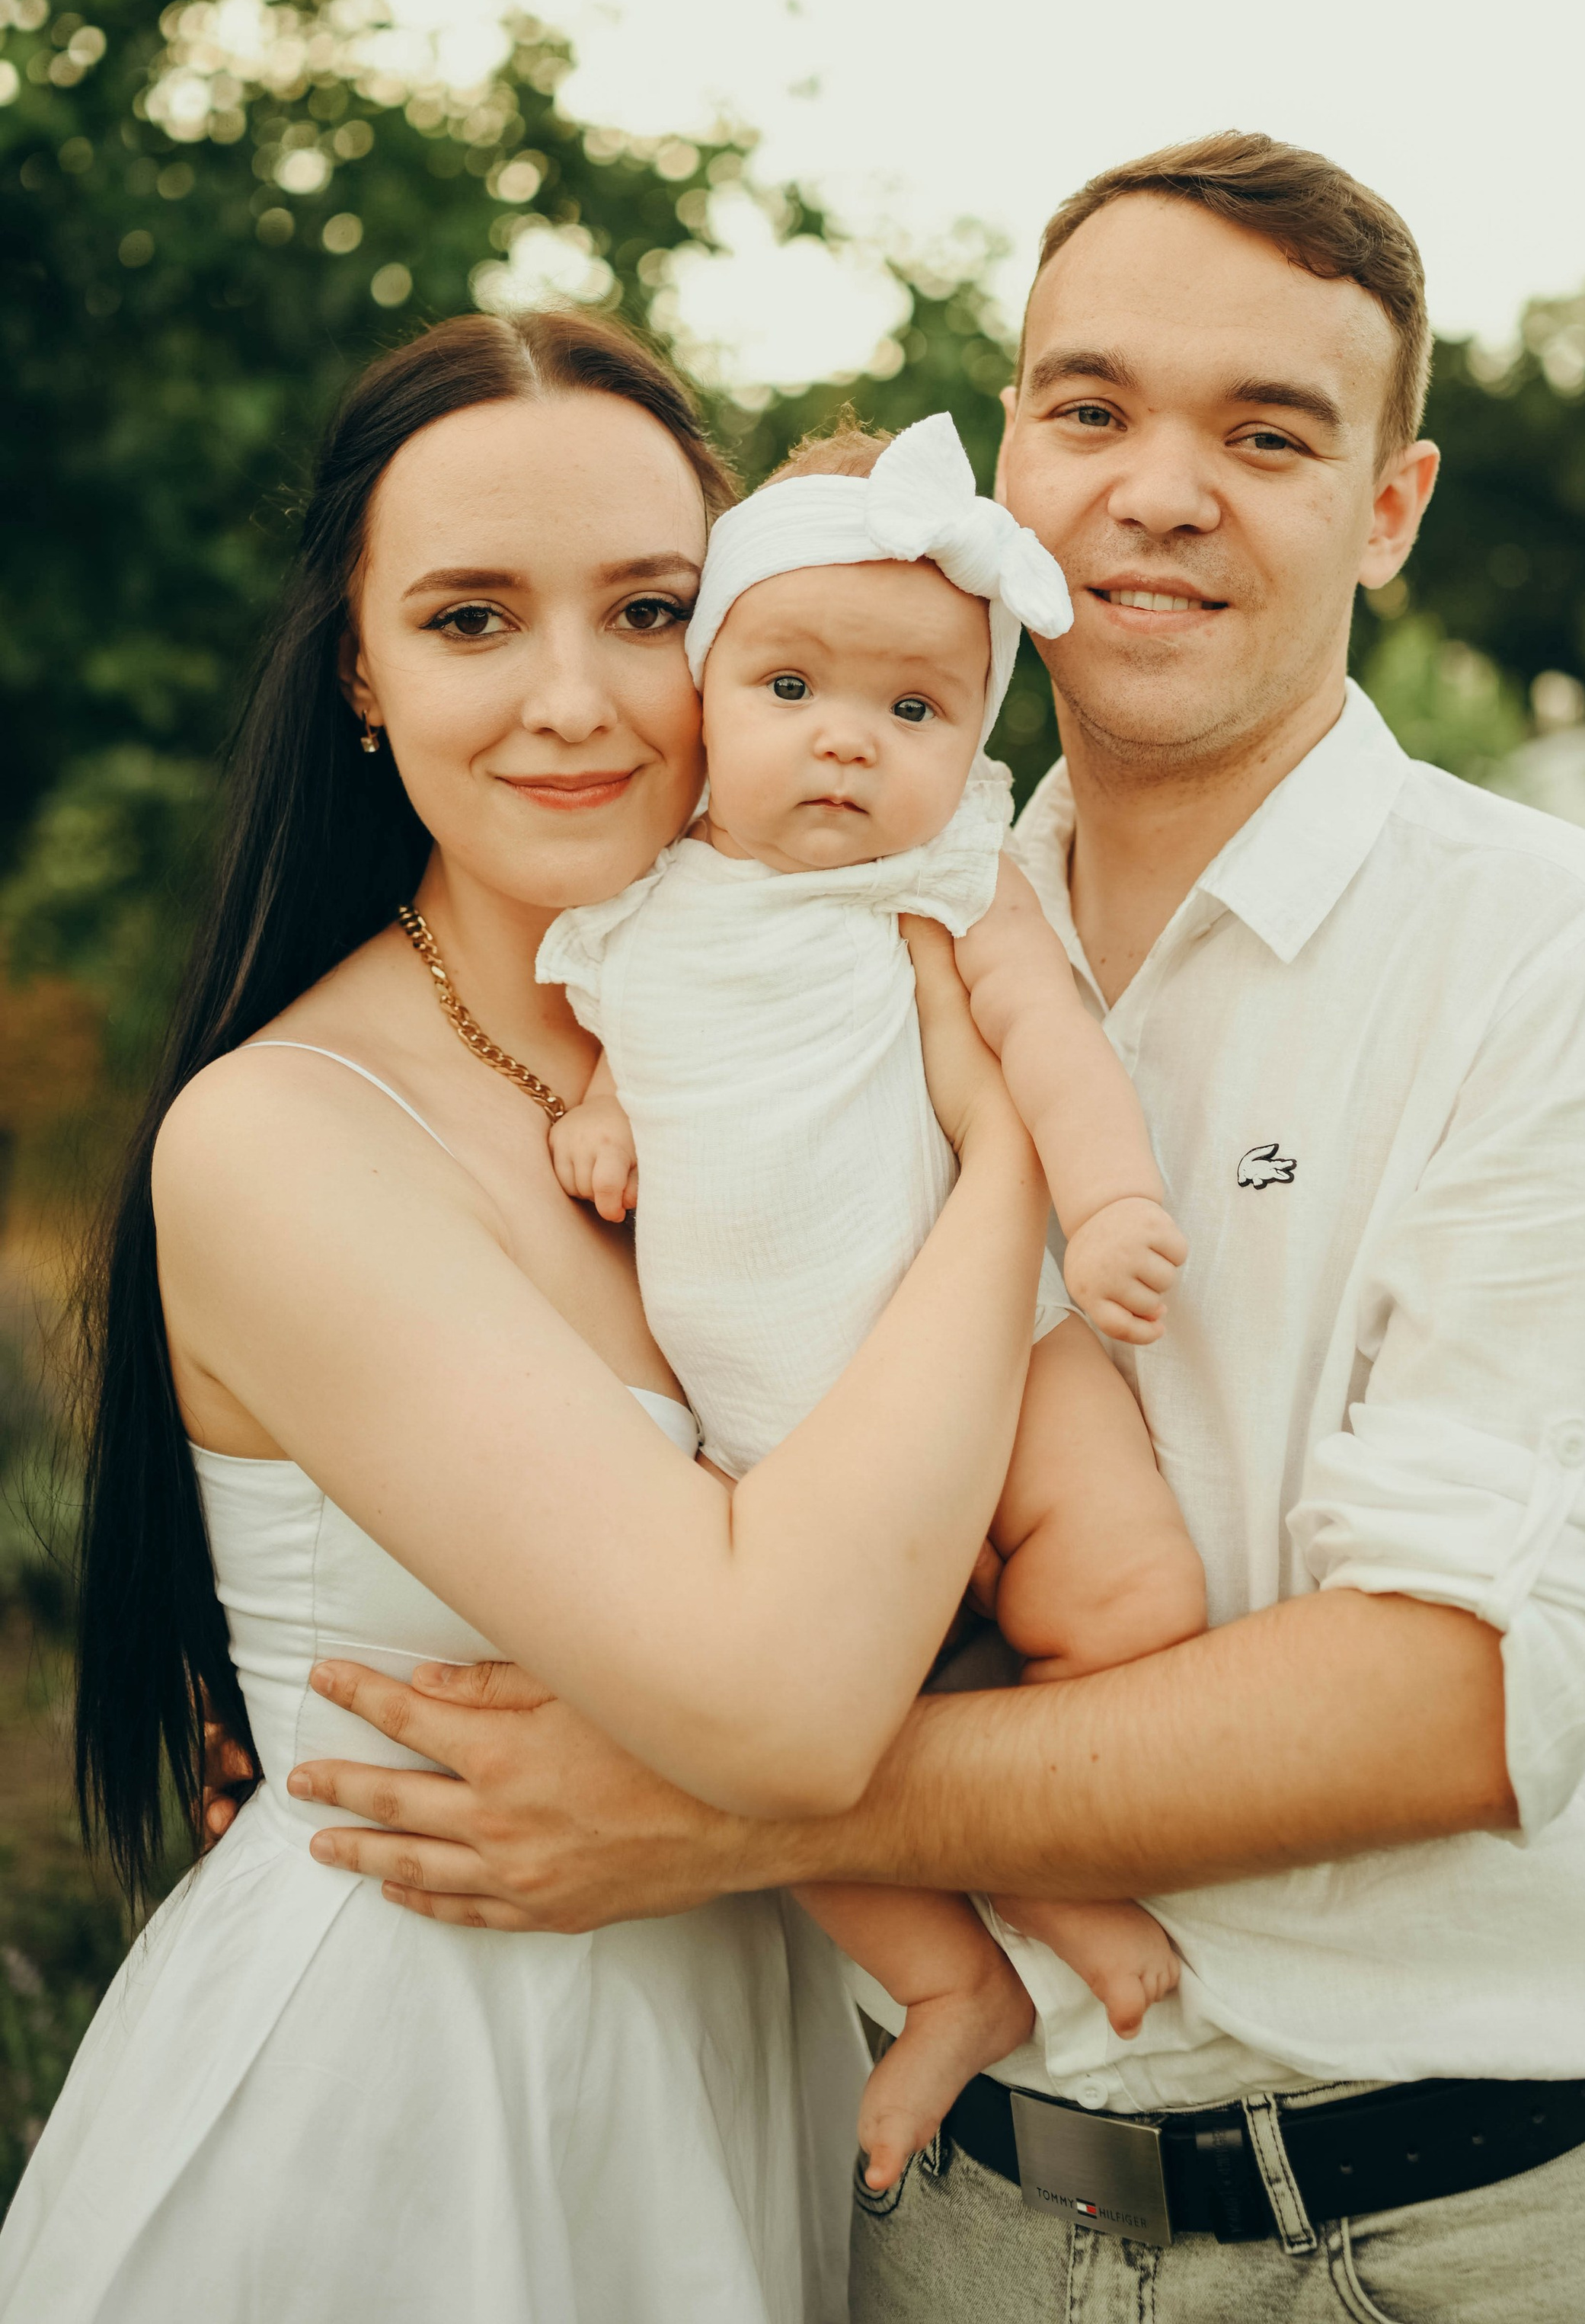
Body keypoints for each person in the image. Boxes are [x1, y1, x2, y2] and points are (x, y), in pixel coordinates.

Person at [221, 136, 1585, 2323]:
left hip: (1406, 2232)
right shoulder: (828, 908)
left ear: (1392, 509)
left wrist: (743, 1805)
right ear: (1009, 462)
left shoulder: (1554, 957)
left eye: (1269, 432)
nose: (1157, 488)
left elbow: (1458, 1695)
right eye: (1094, 408)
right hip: (922, 2214)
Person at [0, 310, 1062, 2324]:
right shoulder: (289, 1135)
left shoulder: (787, 1052)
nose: (573, 699)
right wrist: (1013, 1156)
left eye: (649, 607)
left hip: (742, 2055)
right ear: (363, 673)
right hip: (424, 2105)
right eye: (472, 616)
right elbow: (784, 1700)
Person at [542, 407, 1206, 2191]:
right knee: (741, 1750)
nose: (846, 740)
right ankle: (951, 1975)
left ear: (966, 738)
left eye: (913, 711)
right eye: (788, 690)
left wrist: (1114, 1193)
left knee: (1130, 1584)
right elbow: (615, 1053)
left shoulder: (944, 878)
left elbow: (1048, 1041)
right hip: (783, 1438)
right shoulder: (636, 909)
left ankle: (1055, 1842)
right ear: (703, 700)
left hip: (995, 1351)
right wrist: (603, 1112)